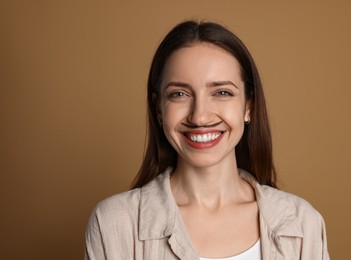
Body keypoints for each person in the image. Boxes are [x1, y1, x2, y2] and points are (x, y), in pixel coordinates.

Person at [85, 20, 330, 260]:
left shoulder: (303, 223)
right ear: (159, 110)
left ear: (249, 107)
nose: (200, 116)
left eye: (222, 92)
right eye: (179, 94)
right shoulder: (113, 224)